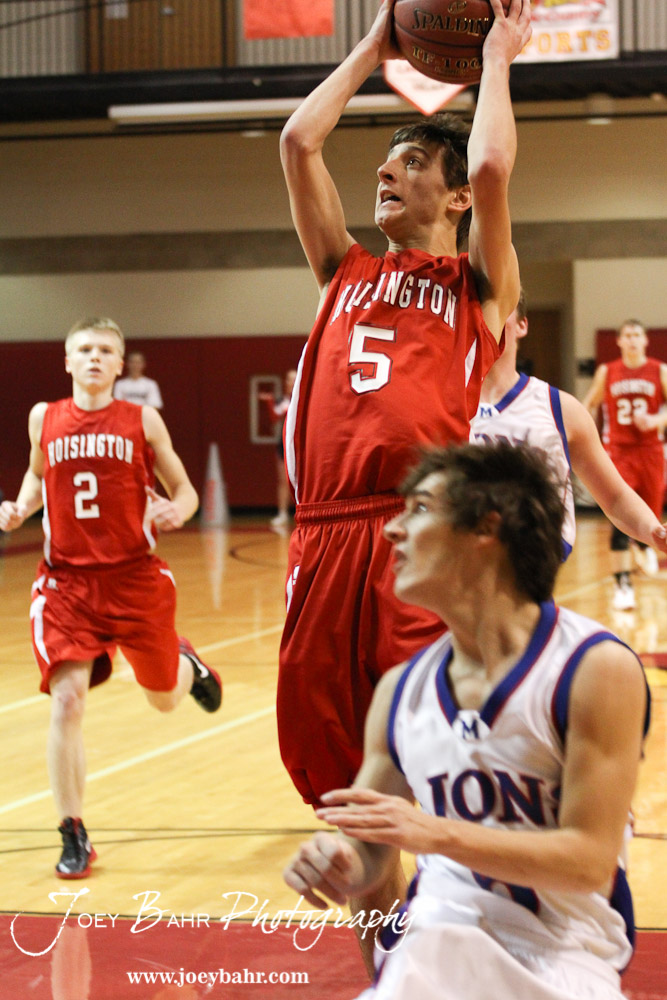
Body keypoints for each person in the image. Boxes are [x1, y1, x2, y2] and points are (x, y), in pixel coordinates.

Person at [277, 0, 532, 962]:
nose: (385, 170)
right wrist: (373, 48)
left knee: (411, 760)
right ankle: (386, 950)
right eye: (385, 160)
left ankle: (458, 925)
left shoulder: (476, 284)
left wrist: (498, 58)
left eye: (412, 162)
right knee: (347, 775)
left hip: (415, 533)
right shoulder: (339, 269)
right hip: (322, 535)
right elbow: (300, 140)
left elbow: (497, 164)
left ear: (455, 197)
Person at [284, 441, 649, 1000]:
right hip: (437, 940)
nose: (391, 530)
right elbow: (370, 855)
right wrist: (337, 861)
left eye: (421, 508)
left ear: (486, 528)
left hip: (565, 954)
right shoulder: (400, 691)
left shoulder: (594, 668)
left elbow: (588, 862)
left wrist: (436, 834)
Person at [0, 317, 222, 879]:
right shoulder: (43, 418)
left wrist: (181, 509)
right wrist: (22, 507)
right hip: (67, 585)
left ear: (121, 365)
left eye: (105, 350)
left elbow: (188, 490)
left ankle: (185, 664)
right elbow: (34, 474)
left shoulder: (142, 420)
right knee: (67, 700)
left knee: (164, 700)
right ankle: (72, 830)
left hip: (135, 580)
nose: (94, 357)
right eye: (84, 349)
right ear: (67, 361)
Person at [471, 291, 667, 561]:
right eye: (479, 308)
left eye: (501, 308)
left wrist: (654, 532)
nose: (488, 317)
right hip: (462, 570)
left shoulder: (561, 409)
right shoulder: (444, 405)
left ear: (522, 324)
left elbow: (615, 497)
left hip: (531, 573)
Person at [583, 319, 667, 610]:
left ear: (645, 341)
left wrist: (658, 419)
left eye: (636, 335)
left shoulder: (660, 371)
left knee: (651, 515)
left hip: (651, 452)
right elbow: (589, 405)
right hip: (618, 452)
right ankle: (622, 585)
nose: (631, 340)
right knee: (620, 517)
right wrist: (586, 436)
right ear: (619, 342)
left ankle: (642, 544)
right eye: (626, 335)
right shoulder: (607, 371)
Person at [260, 368, 297, 528]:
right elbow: (275, 417)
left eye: (294, 379)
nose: (291, 382)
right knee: (283, 480)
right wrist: (269, 401)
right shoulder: (283, 401)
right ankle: (282, 513)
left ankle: (302, 512)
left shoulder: (304, 399)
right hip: (284, 446)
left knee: (302, 482)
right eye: (288, 379)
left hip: (300, 447)